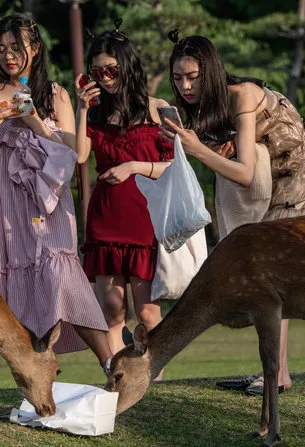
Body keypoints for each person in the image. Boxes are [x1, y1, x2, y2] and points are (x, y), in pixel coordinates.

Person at [161, 33, 305, 394]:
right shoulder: (214, 105)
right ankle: (275, 372)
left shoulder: (241, 95)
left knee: (274, 272)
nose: (186, 85)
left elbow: (241, 171)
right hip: (267, 176)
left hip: (295, 173)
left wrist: (197, 149)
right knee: (267, 273)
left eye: (193, 76)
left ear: (211, 71)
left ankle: (277, 374)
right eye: (178, 78)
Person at [0, 13, 112, 373]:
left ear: (35, 48)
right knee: (18, 286)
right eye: (1, 49)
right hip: (4, 204)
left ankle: (112, 364)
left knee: (61, 275)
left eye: (16, 47)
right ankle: (40, 376)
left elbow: (78, 151)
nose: (8, 56)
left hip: (49, 201)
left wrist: (33, 121)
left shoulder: (54, 94)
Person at [74, 21, 175, 377]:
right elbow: (81, 156)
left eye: (111, 69)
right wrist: (82, 108)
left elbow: (173, 167)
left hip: (145, 220)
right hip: (105, 219)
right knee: (112, 313)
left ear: (128, 66)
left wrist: (133, 166)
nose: (104, 77)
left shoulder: (157, 109)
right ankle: (119, 380)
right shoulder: (96, 114)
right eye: (97, 71)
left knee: (147, 313)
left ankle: (155, 377)